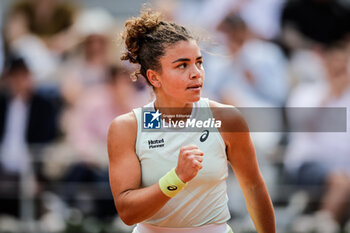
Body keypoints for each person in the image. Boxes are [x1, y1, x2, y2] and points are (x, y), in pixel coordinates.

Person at [107, 10, 275, 233]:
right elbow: (128, 213)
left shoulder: (227, 119)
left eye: (199, 62)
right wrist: (176, 178)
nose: (197, 73)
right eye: (182, 65)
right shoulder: (127, 128)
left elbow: (253, 187)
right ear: (154, 77)